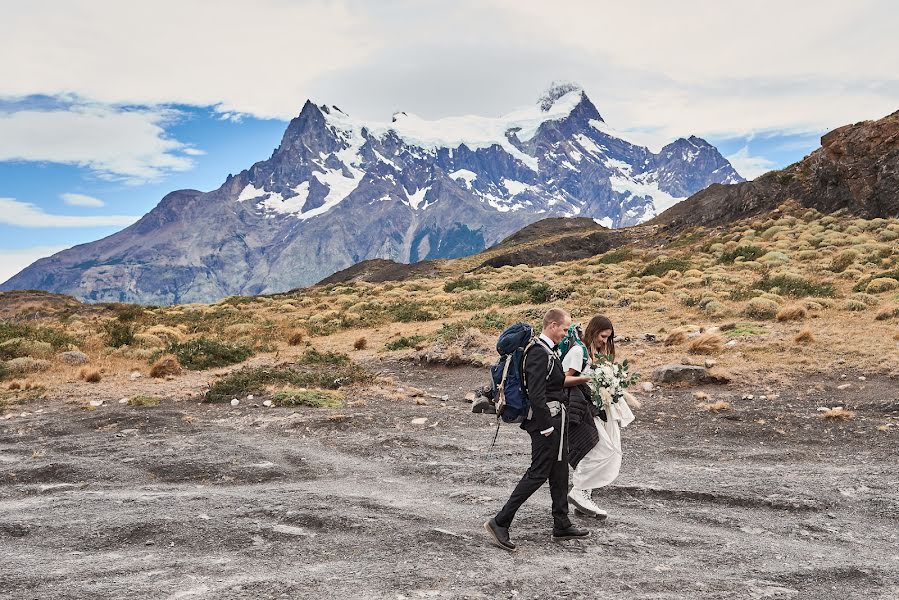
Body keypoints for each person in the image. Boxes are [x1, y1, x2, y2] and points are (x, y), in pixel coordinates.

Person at [484, 308, 590, 551]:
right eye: (564, 329)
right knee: (539, 472)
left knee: (560, 469)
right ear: (552, 325)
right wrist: (545, 428)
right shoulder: (538, 353)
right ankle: (500, 522)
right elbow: (537, 393)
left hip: (554, 419)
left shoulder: (547, 351)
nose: (566, 334)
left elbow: (553, 383)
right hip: (546, 422)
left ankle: (561, 523)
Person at [562, 315, 635, 519]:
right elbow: (563, 379)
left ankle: (584, 497)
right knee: (600, 448)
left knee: (601, 447)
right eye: (603, 336)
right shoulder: (579, 351)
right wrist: (590, 379)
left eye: (608, 337)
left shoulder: (597, 353)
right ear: (593, 332)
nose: (605, 341)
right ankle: (579, 492)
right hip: (582, 407)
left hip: (595, 407)